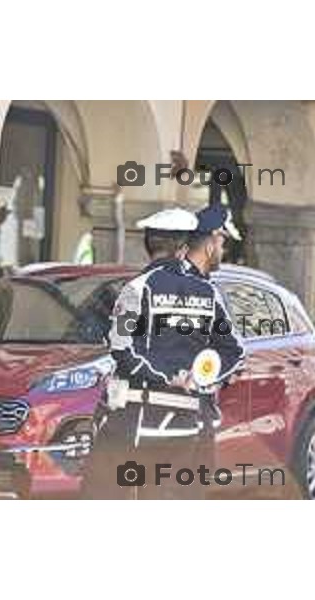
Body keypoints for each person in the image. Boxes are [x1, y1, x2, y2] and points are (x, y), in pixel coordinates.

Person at [81, 206, 245, 499]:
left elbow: (121, 347)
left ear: (147, 246)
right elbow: (234, 352)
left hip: (132, 424)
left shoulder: (135, 289)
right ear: (183, 248)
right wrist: (200, 378)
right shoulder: (209, 294)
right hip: (185, 426)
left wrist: (166, 377)